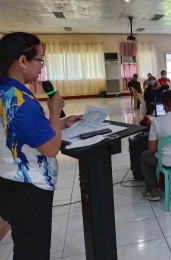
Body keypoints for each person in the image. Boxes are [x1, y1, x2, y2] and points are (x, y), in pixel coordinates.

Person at [0, 32, 82, 259]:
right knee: (33, 250)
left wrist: (60, 123)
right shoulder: (20, 100)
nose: (41, 68)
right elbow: (51, 148)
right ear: (22, 61)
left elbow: (21, 131)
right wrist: (55, 111)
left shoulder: (5, 91)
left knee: (24, 244)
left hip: (9, 179)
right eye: (40, 60)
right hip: (28, 189)